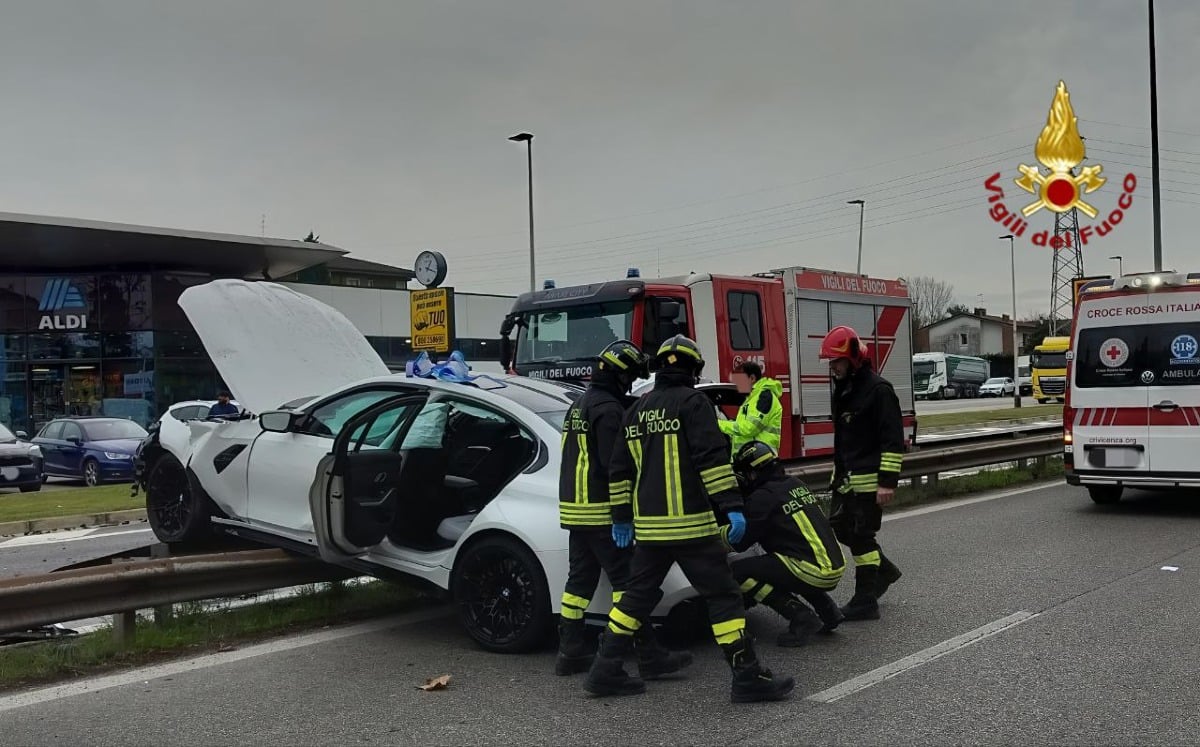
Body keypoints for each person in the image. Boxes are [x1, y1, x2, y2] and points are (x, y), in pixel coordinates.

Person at [584, 334, 794, 703]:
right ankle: (746, 676)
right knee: (724, 596)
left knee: (635, 598)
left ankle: (605, 669)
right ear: (693, 370)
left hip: (649, 531)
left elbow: (619, 471)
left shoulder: (636, 410)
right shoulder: (695, 404)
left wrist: (621, 518)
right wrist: (732, 506)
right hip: (692, 527)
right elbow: (711, 461)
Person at [555, 340, 691, 679]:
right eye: (630, 376)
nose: (630, 382)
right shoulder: (609, 410)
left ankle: (570, 652)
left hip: (575, 511)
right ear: (620, 374)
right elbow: (613, 463)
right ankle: (649, 654)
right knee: (628, 584)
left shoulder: (580, 404)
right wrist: (624, 513)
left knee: (578, 584)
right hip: (603, 512)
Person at [817, 325, 905, 621]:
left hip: (869, 483)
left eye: (836, 362)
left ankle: (865, 600)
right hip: (845, 481)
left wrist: (887, 482)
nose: (833, 368)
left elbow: (892, 441)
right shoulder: (845, 391)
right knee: (841, 529)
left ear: (853, 359)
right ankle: (885, 571)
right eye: (830, 362)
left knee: (862, 537)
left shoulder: (879, 391)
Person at [722, 441, 845, 646]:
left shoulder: (762, 497)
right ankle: (829, 611)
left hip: (811, 569)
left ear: (753, 472)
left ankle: (800, 617)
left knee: (737, 571)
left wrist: (714, 533)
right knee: (786, 561)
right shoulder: (794, 483)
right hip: (833, 564)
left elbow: (741, 542)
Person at [719, 360, 783, 453]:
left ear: (752, 378)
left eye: (739, 380)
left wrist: (718, 424)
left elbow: (750, 428)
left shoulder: (764, 396)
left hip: (760, 458)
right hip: (752, 457)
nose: (736, 385)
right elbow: (742, 427)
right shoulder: (752, 397)